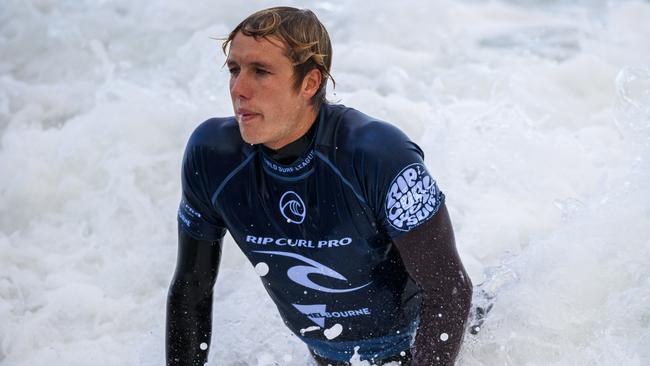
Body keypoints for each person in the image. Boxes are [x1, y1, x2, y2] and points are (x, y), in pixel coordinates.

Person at [166, 6, 473, 366]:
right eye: (234, 70)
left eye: (260, 71)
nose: (239, 89)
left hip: (433, 350)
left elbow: (450, 291)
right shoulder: (213, 158)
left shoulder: (377, 156)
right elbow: (192, 291)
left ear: (310, 83)